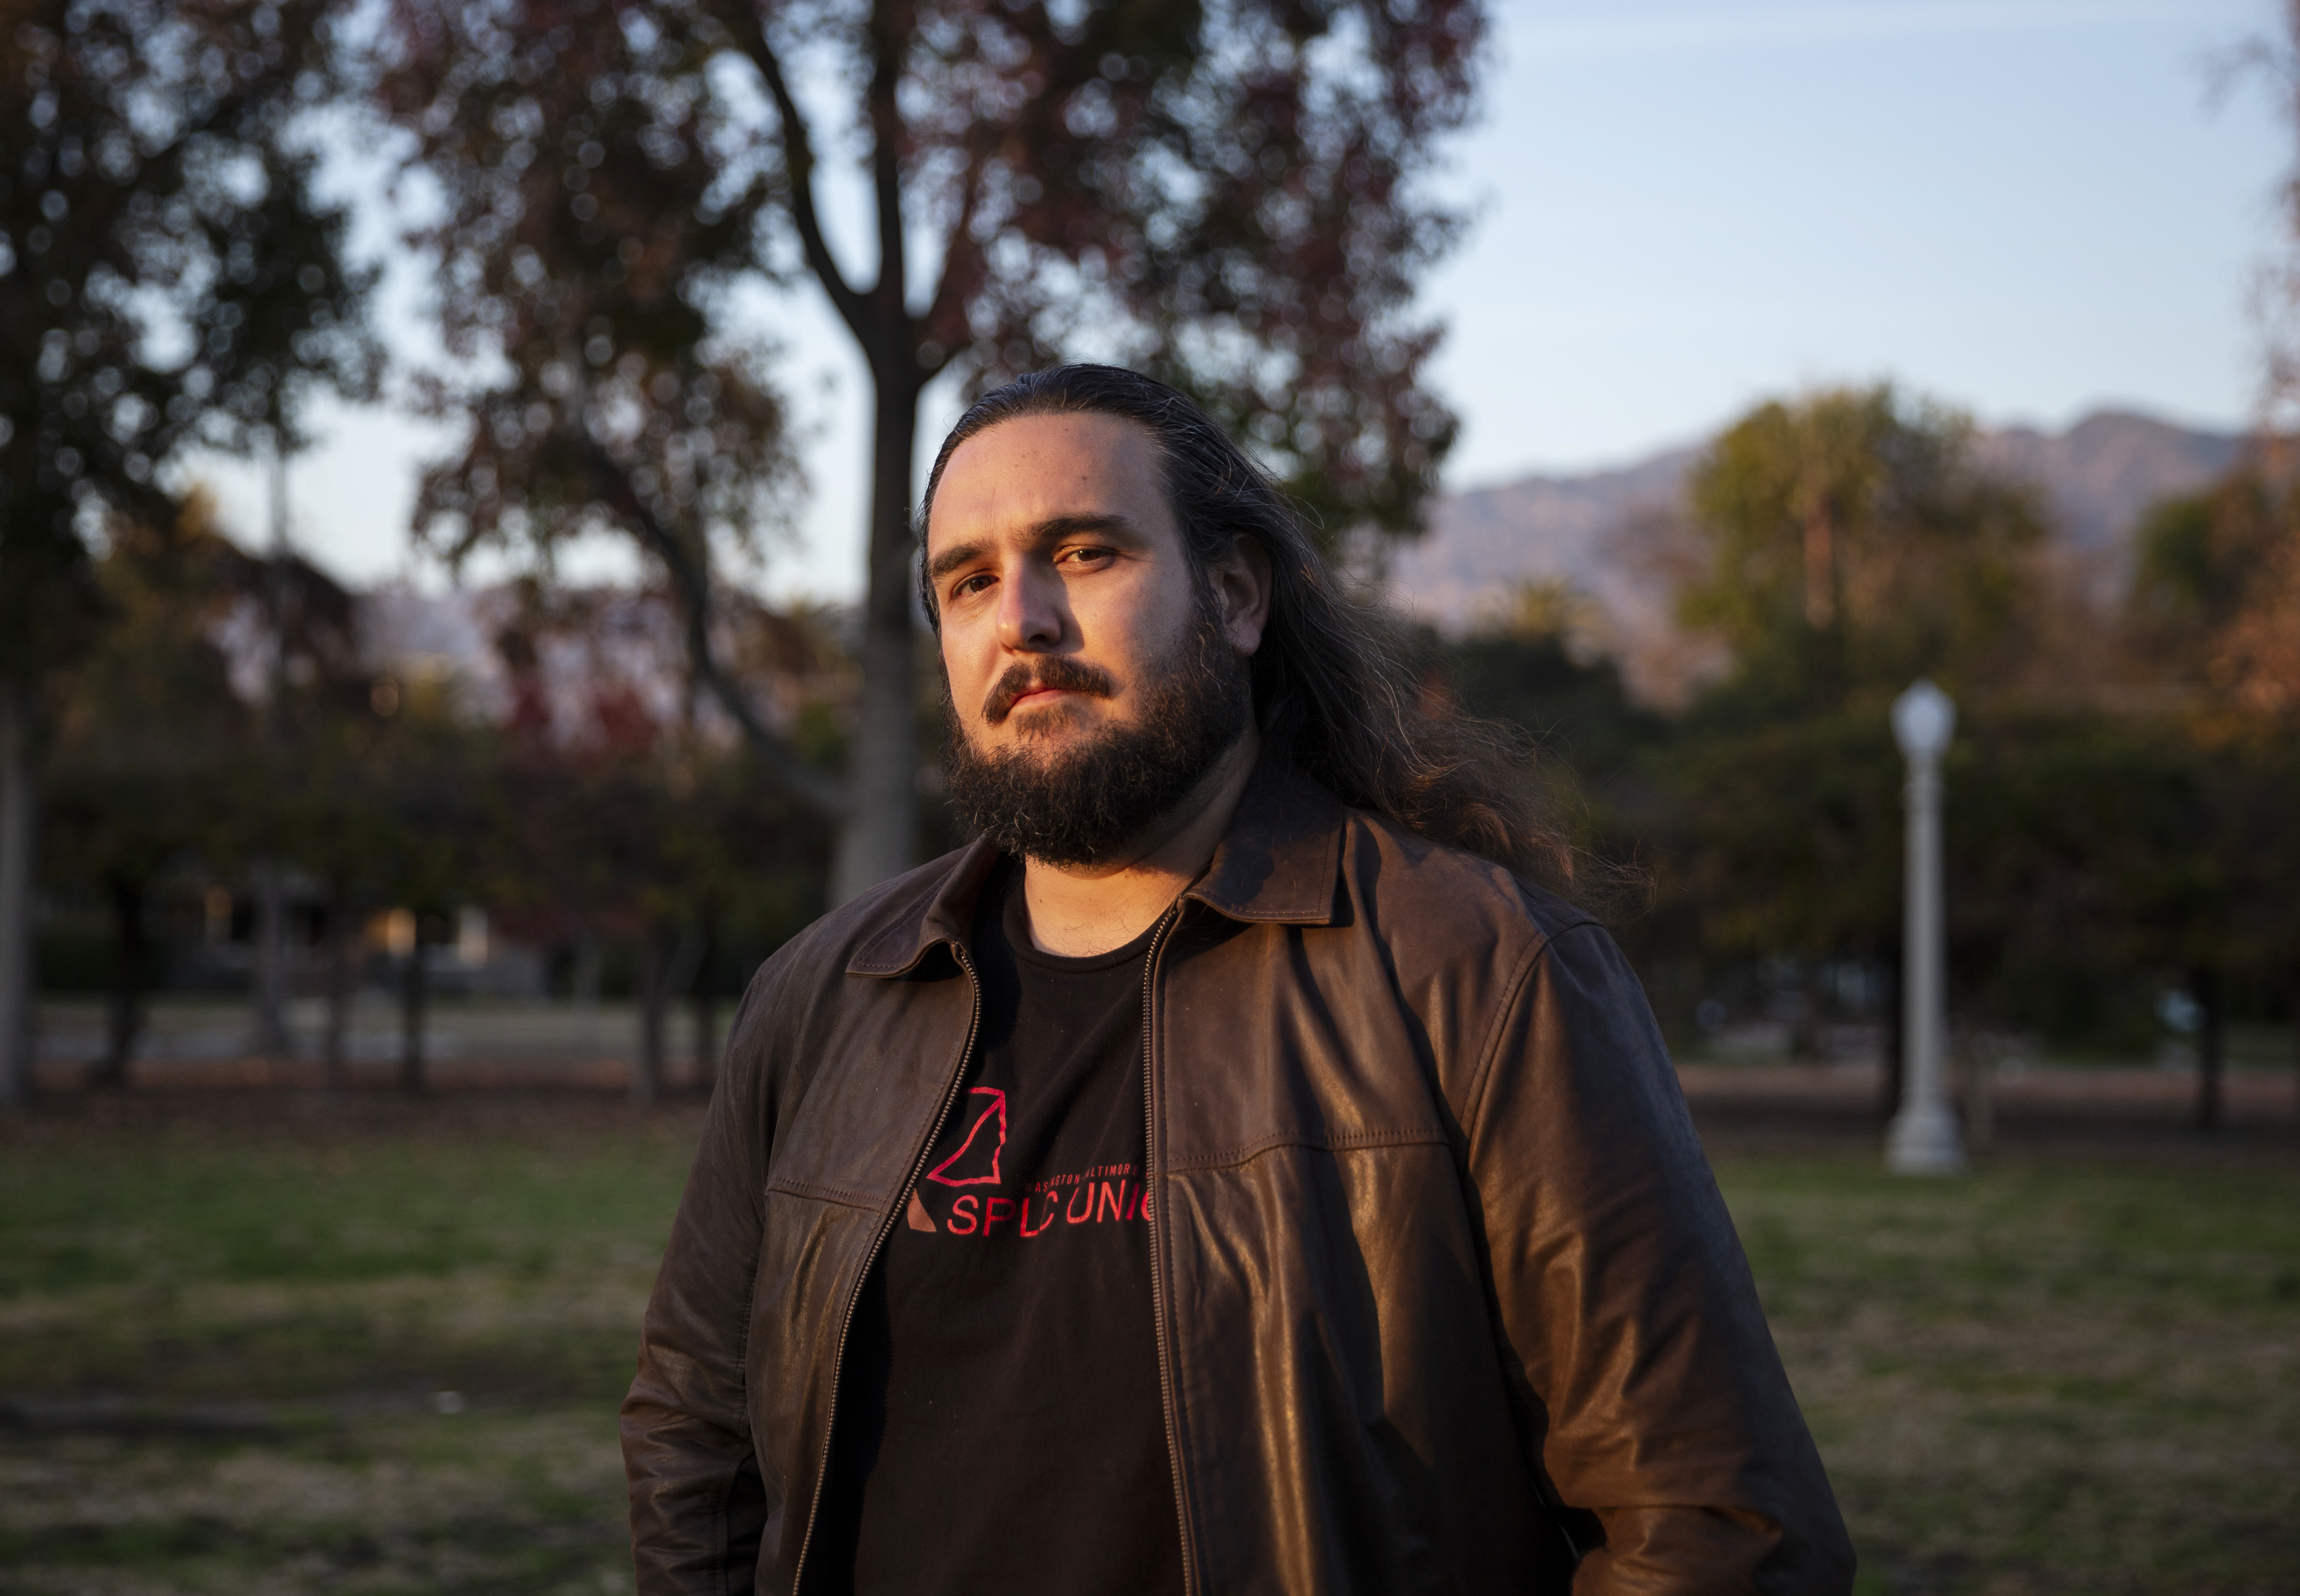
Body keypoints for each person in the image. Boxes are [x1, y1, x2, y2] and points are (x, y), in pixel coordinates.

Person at [622, 365, 1854, 1595]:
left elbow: (1715, 1527)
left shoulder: (1477, 973)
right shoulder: (824, 999)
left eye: (1087, 553)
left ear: (1235, 595)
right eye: (969, 580)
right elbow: (696, 1436)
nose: (1023, 619)